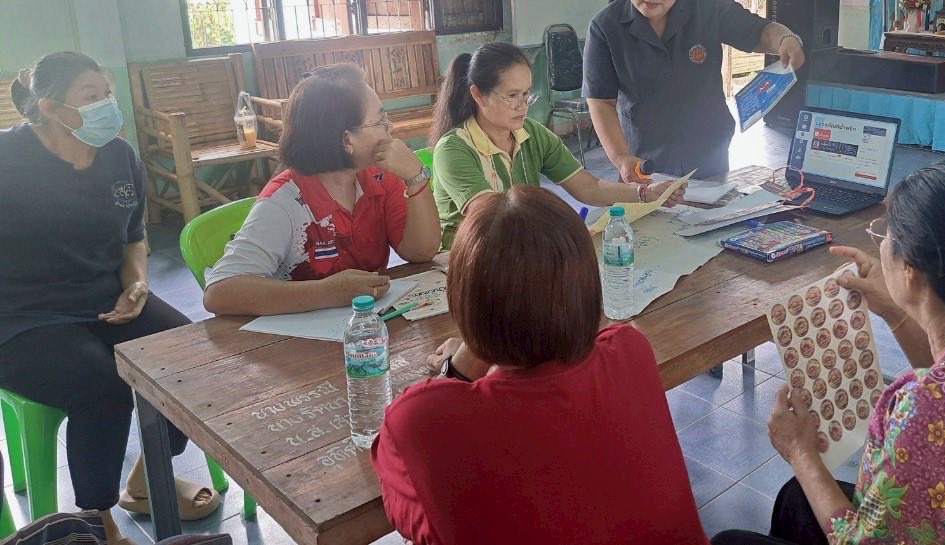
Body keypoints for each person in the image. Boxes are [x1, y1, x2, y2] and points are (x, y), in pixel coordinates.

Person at [713, 160, 945, 545]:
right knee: (797, 499)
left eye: (886, 234)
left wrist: (800, 452)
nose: (881, 245)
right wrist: (895, 310)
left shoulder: (924, 411)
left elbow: (863, 541)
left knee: (731, 541)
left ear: (909, 267)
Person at [370, 186, 708, 545]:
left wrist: (468, 357)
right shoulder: (629, 348)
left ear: (461, 297)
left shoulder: (421, 418)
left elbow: (412, 517)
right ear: (587, 284)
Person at [0, 53, 221, 545]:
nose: (106, 105)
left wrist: (136, 283)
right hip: (22, 315)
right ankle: (96, 519)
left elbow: (133, 238)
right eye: (91, 96)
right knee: (104, 385)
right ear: (50, 107)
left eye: (107, 93)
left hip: (106, 298)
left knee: (193, 358)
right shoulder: (7, 160)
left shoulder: (119, 157)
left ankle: (146, 480)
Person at [203, 64, 441, 315]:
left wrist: (415, 177)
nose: (389, 128)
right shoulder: (285, 201)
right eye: (381, 121)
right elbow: (219, 292)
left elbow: (421, 252)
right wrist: (327, 292)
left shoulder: (380, 176)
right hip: (295, 335)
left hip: (366, 326)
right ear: (347, 140)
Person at [583, 0, 807, 180]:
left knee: (712, 206)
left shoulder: (708, 5)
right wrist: (621, 158)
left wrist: (785, 40)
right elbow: (601, 102)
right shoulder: (605, 27)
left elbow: (759, 31)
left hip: (709, 155)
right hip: (645, 161)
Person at [430, 42, 683, 249]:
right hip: (469, 260)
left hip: (520, 250)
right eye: (512, 96)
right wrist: (560, 231)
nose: (522, 106)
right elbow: (492, 219)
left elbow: (590, 187)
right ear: (478, 94)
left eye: (526, 94)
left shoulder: (531, 133)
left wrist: (644, 194)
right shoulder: (454, 149)